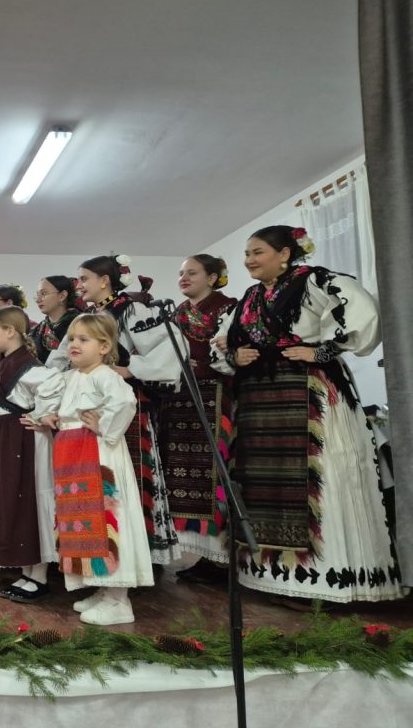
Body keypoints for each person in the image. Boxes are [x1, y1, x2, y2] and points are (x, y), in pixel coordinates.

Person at [211, 225, 405, 603]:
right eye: (247, 253)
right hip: (260, 400)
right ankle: (272, 577)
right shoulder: (249, 298)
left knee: (319, 475)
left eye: (257, 252)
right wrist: (236, 355)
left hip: (308, 390)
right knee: (263, 481)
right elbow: (224, 342)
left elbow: (363, 315)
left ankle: (324, 580)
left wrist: (321, 351)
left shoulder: (315, 281)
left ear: (285, 253)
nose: (249, 260)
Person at [32, 314, 154, 625]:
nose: (74, 344)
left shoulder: (105, 375)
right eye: (72, 338)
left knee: (104, 514)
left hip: (98, 452)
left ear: (104, 347)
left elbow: (125, 403)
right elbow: (46, 397)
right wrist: (47, 416)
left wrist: (105, 425)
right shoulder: (71, 377)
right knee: (82, 516)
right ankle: (103, 588)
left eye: (83, 339)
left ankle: (119, 599)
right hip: (72, 451)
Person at [78, 254, 184, 567]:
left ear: (104, 281)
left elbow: (171, 345)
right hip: (95, 406)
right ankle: (107, 550)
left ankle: (137, 555)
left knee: (132, 476)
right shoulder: (90, 315)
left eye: (84, 279)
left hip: (128, 407)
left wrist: (131, 368)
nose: (79, 285)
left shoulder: (131, 309)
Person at [0, 307, 59, 602]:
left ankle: (40, 575)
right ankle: (26, 571)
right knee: (7, 500)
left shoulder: (31, 368)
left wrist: (41, 415)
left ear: (10, 331)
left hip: (24, 437)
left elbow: (54, 389)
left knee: (28, 499)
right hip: (2, 436)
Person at [162, 255, 237, 584]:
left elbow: (232, 352)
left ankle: (221, 558)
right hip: (180, 400)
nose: (184, 278)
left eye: (192, 272)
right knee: (181, 476)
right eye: (181, 273)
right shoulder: (176, 313)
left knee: (216, 473)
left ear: (212, 277)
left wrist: (202, 365)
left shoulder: (228, 307)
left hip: (215, 396)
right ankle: (201, 556)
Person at [29, 275, 82, 368]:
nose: (38, 300)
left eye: (44, 293)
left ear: (62, 296)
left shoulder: (80, 324)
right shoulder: (37, 330)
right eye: (37, 295)